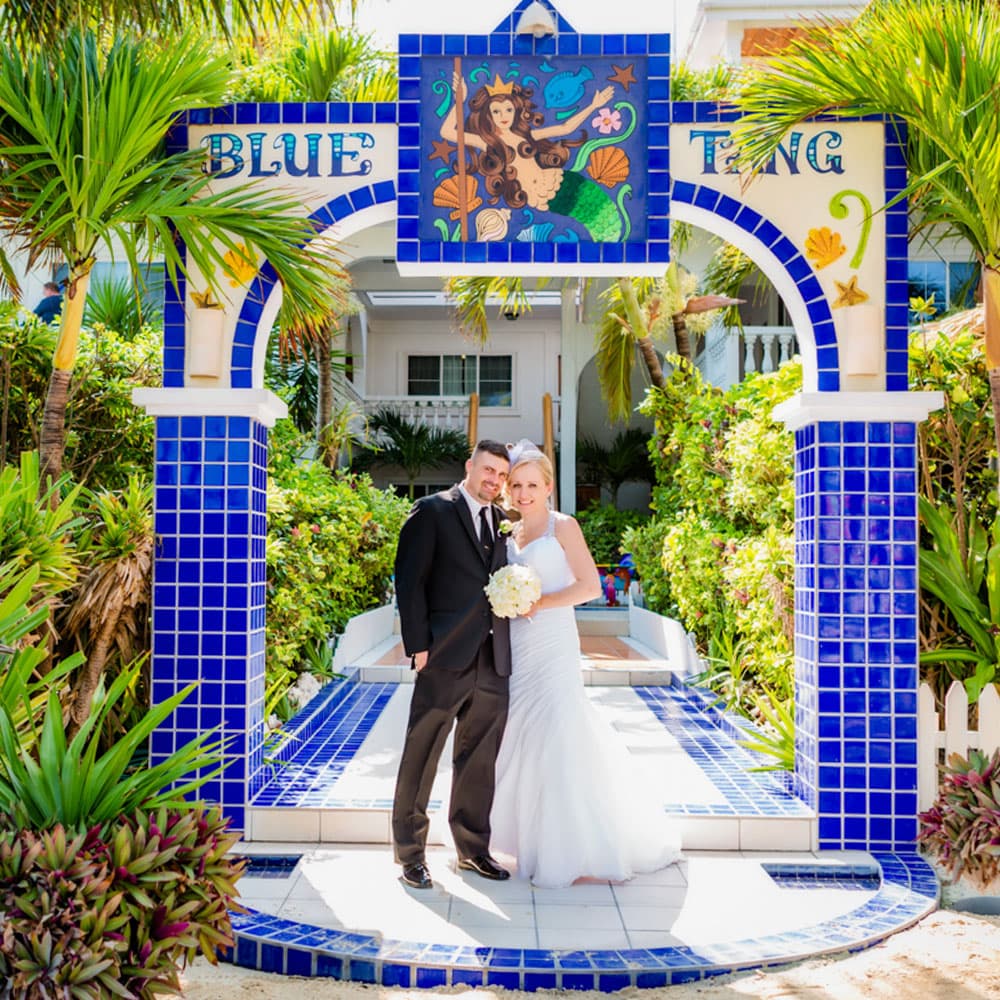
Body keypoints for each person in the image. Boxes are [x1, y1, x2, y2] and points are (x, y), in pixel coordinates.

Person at [490, 440, 681, 888]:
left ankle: (567, 847)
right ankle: (522, 839)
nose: (523, 493)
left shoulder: (564, 526)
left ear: (549, 487)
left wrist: (540, 602)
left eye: (532, 485)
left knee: (558, 729)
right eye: (516, 485)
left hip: (552, 641)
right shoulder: (509, 532)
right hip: (517, 645)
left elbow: (590, 585)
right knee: (520, 732)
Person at [391, 439, 513, 890]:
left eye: (501, 474)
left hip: (492, 659)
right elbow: (409, 580)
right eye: (488, 470)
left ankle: (472, 849)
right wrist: (417, 644)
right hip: (443, 655)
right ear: (470, 466)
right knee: (422, 755)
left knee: (479, 760)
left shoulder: (503, 522)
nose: (494, 481)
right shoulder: (433, 511)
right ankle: (410, 855)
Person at [441, 72, 623, 241]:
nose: (503, 116)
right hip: (544, 197)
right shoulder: (488, 142)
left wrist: (594, 105)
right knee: (599, 223)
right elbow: (447, 132)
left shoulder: (525, 136)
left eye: (508, 110)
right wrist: (459, 101)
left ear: (516, 111)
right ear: (488, 115)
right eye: (496, 111)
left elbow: (565, 128)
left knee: (605, 220)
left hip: (559, 182)